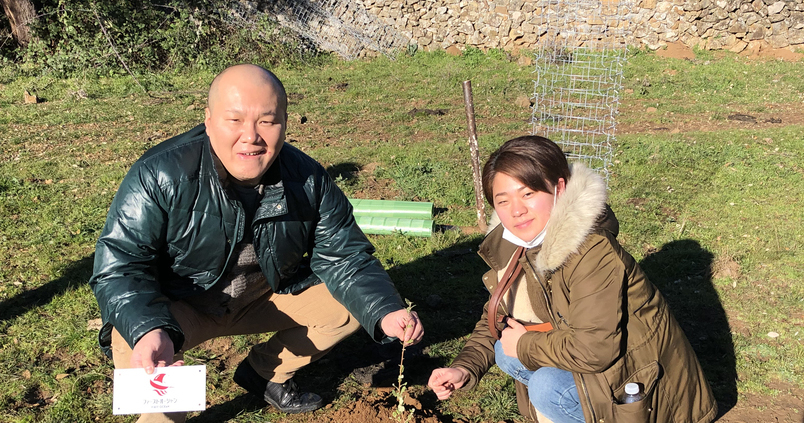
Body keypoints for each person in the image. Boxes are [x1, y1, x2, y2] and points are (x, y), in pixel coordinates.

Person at [89, 64, 423, 423]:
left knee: (347, 308)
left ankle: (264, 372)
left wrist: (386, 310)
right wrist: (149, 329)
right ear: (208, 120)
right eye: (234, 120)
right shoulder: (159, 173)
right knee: (150, 379)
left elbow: (345, 256)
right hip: (178, 309)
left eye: (267, 121)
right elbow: (121, 266)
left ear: (285, 123)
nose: (250, 137)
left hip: (259, 298)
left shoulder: (309, 179)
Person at [428, 136, 716, 423]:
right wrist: (464, 368)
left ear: (560, 188)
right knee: (506, 350)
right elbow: (499, 317)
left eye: (528, 194)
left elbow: (595, 350)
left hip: (644, 386)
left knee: (547, 387)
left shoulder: (592, 251)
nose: (516, 210)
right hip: (589, 359)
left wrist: (525, 344)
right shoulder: (516, 245)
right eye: (503, 201)